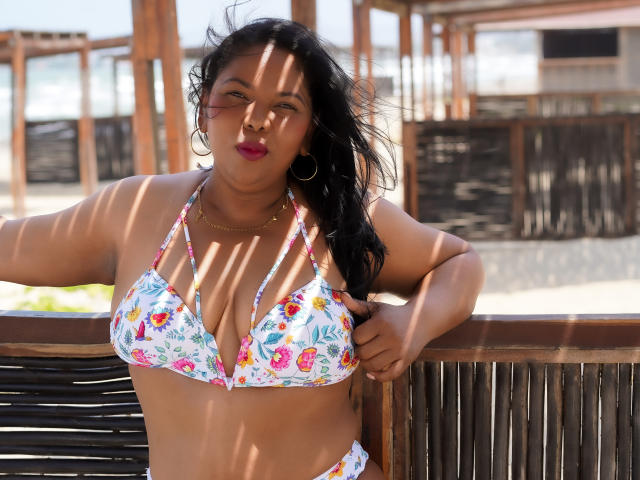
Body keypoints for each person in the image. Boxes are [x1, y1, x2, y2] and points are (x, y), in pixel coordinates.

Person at [0, 17, 484, 480]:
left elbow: (459, 261)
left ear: (308, 133)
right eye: (237, 95)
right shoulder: (134, 210)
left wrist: (415, 322)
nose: (256, 119)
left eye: (286, 106)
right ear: (203, 108)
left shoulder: (346, 219)